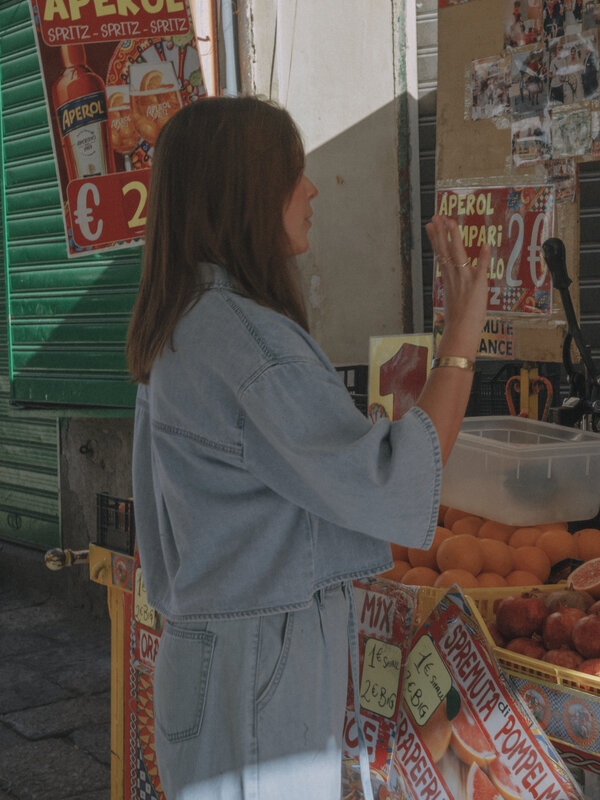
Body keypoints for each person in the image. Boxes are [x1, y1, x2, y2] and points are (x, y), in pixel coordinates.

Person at [126, 95, 490, 800]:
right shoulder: (245, 341)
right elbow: (394, 480)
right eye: (295, 173)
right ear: (246, 194)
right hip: (253, 677)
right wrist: (462, 342)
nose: (313, 189)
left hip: (219, 666)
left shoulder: (188, 324)